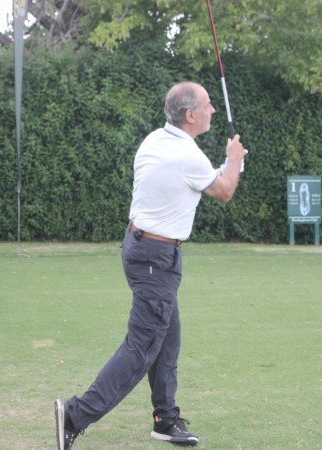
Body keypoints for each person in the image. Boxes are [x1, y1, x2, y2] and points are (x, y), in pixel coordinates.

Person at [54, 81, 246, 449]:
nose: (212, 111)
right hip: (156, 259)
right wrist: (234, 160)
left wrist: (228, 165)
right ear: (190, 115)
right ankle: (75, 414)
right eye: (207, 105)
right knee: (142, 347)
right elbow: (224, 190)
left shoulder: (156, 140)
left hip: (142, 250)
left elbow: (207, 179)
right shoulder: (187, 155)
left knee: (167, 341)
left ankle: (165, 419)